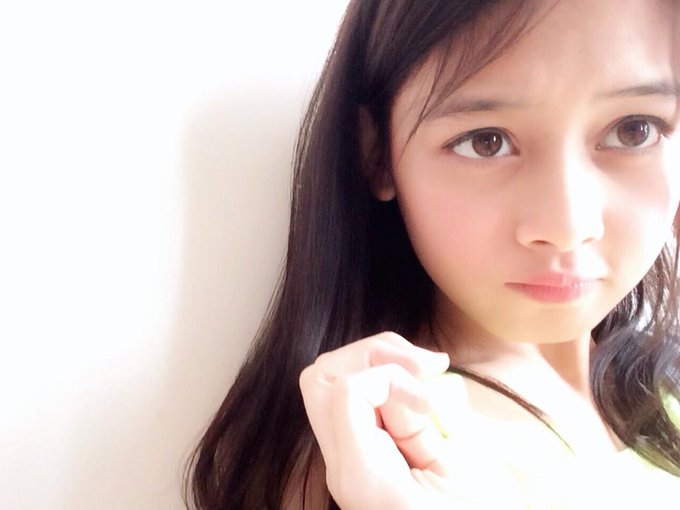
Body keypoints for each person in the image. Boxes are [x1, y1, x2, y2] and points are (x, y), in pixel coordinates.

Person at [184, 0, 680, 508]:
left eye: (634, 130)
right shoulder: (376, 454)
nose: (567, 227)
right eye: (485, 142)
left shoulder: (660, 377)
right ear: (377, 154)